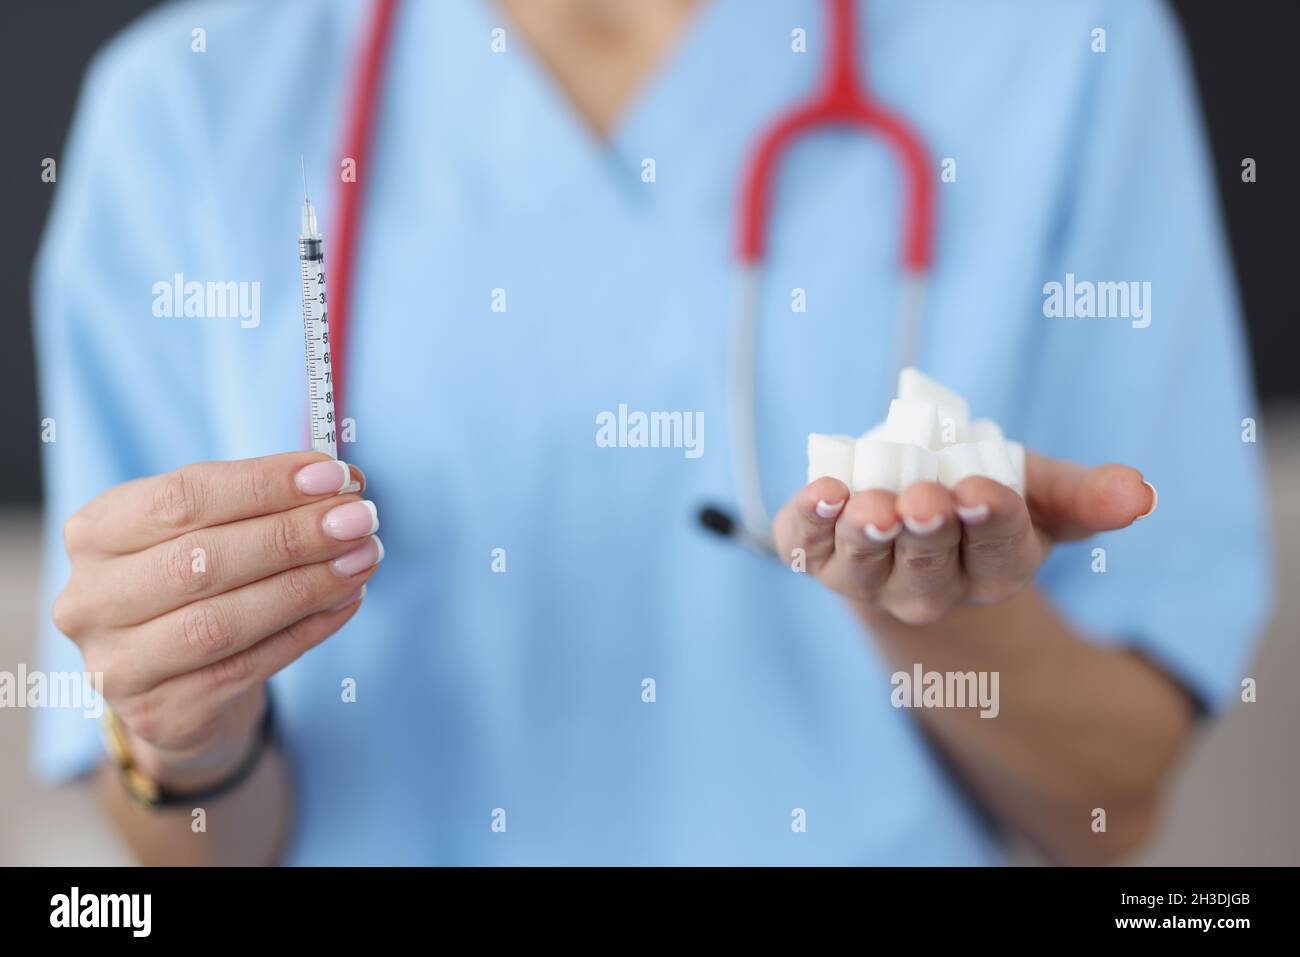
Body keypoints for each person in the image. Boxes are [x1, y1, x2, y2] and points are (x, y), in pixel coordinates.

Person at [33, 0, 1271, 865]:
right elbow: (176, 864)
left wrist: (942, 605)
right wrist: (182, 738)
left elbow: (1111, 814)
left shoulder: (1065, 49)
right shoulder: (188, 101)